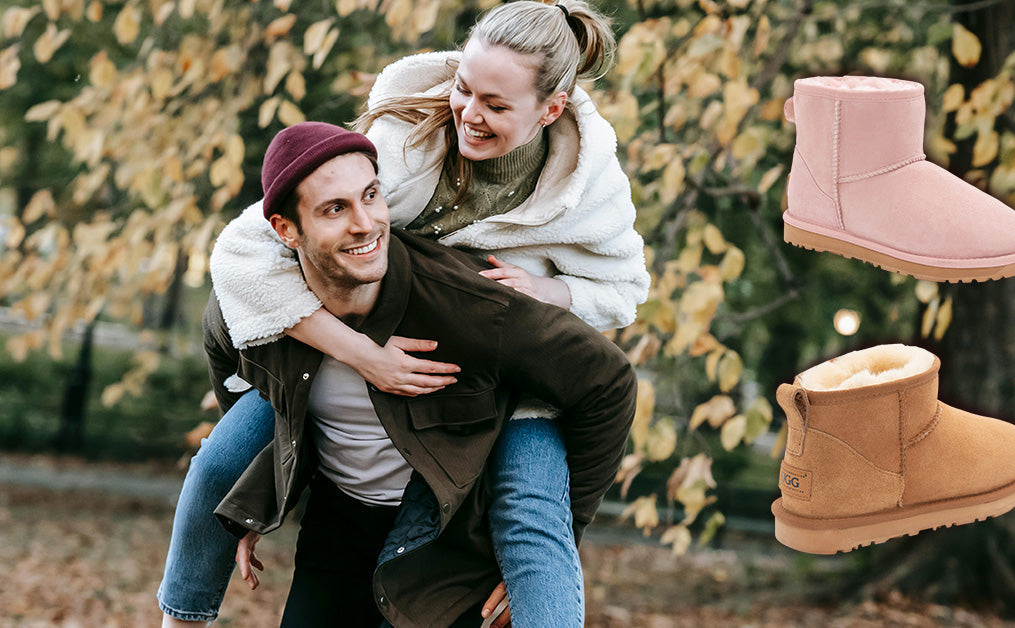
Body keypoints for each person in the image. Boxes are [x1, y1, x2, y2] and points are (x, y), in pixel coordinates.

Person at [158, 1, 648, 626]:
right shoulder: (401, 141)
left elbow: (625, 289)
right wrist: (354, 360)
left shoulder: (588, 181)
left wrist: (556, 294)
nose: (470, 113)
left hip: (505, 353)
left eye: (496, 106)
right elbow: (241, 259)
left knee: (533, 516)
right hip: (378, 322)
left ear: (549, 109)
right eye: (463, 90)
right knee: (221, 466)